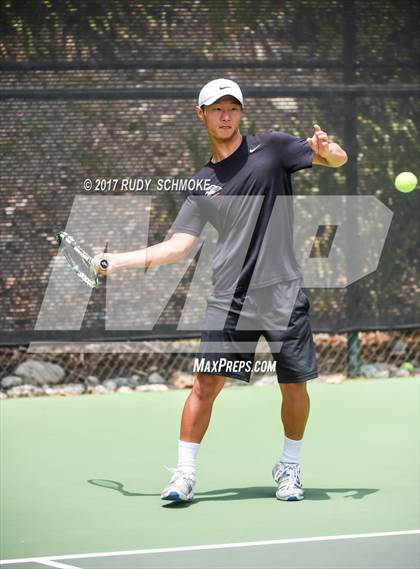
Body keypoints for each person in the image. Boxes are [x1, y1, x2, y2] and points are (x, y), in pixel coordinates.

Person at [93, 78, 347, 503]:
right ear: (202, 114)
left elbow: (336, 159)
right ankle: (184, 474)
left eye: (232, 108)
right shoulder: (201, 183)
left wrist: (327, 149)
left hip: (283, 292)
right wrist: (116, 260)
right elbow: (178, 246)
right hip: (230, 297)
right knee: (204, 385)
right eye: (216, 108)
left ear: (241, 112)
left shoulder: (274, 149)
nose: (225, 116)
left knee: (294, 385)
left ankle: (289, 467)